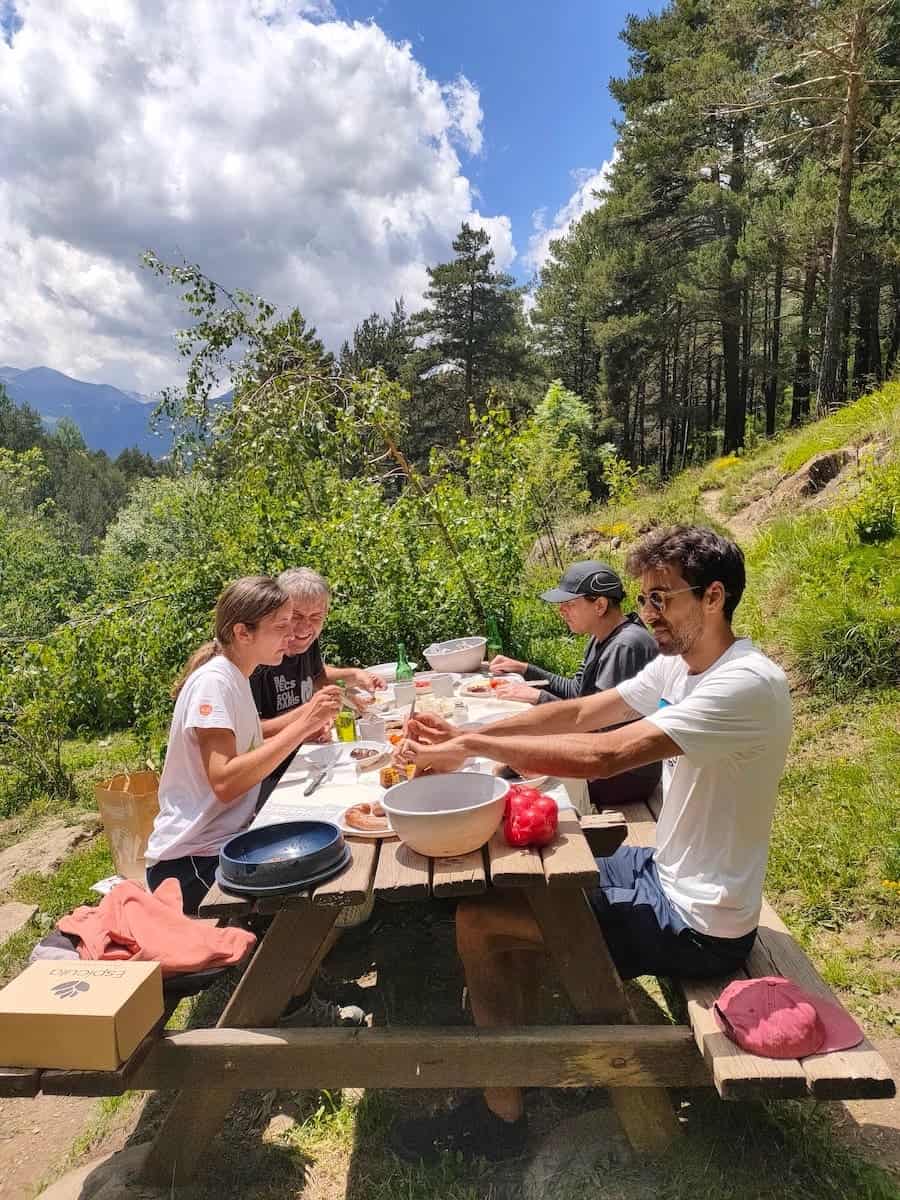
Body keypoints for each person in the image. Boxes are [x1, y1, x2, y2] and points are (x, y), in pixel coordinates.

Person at [390, 526, 793, 1162]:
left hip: (699, 919)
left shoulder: (742, 684)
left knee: (477, 918)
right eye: (644, 599)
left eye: (662, 599)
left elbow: (606, 755)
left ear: (714, 597)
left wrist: (472, 746)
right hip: (666, 867)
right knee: (518, 874)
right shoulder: (679, 664)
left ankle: (502, 1116)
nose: (647, 614)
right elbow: (580, 713)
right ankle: (522, 1060)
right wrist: (476, 728)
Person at [145, 576, 314, 914]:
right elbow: (225, 782)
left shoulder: (234, 675)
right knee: (313, 871)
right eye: (280, 626)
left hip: (220, 845)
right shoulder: (214, 683)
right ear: (242, 632)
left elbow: (253, 739)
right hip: (188, 866)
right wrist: (302, 727)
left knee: (317, 835)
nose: (291, 635)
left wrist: (309, 715)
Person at [488, 559, 660, 808]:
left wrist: (539, 699)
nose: (562, 611)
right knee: (511, 754)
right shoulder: (602, 637)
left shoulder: (625, 646)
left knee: (516, 770)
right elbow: (578, 692)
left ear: (599, 605)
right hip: (610, 761)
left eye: (570, 604)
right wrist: (525, 669)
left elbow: (601, 726)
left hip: (626, 774)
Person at [250, 567, 385, 803]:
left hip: (305, 761)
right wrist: (305, 722)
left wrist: (353, 676)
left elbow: (317, 677)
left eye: (316, 618)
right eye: (296, 617)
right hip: (270, 782)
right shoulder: (259, 658)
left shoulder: (307, 641)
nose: (304, 629)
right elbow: (248, 732)